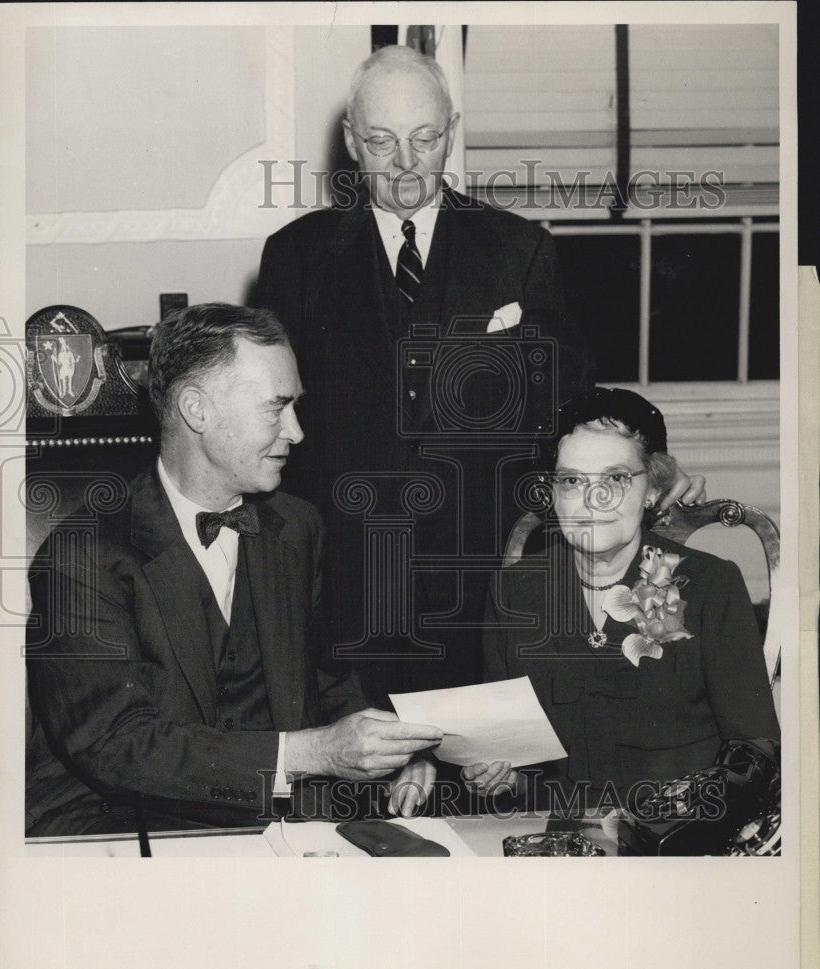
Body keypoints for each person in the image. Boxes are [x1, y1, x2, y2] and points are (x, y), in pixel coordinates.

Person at [255, 45, 705, 704]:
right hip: (343, 578)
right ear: (351, 142)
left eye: (424, 138)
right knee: (358, 785)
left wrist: (647, 458)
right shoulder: (294, 257)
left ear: (451, 135)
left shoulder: (518, 250)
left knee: (484, 782)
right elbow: (269, 417)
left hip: (480, 578)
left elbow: (570, 398)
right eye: (380, 141)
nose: (405, 163)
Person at [25, 304, 442, 837]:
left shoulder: (296, 526)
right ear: (196, 411)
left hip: (273, 822)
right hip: (116, 826)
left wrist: (392, 751)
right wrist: (313, 752)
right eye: (277, 407)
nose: (297, 431)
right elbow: (116, 746)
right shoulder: (81, 556)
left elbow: (321, 679)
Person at [462, 387, 779, 810]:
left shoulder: (707, 584)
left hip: (678, 835)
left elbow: (755, 749)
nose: (594, 500)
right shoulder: (515, 590)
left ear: (652, 489)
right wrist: (495, 775)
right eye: (573, 480)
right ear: (552, 493)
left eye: (615, 478)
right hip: (553, 835)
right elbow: (512, 764)